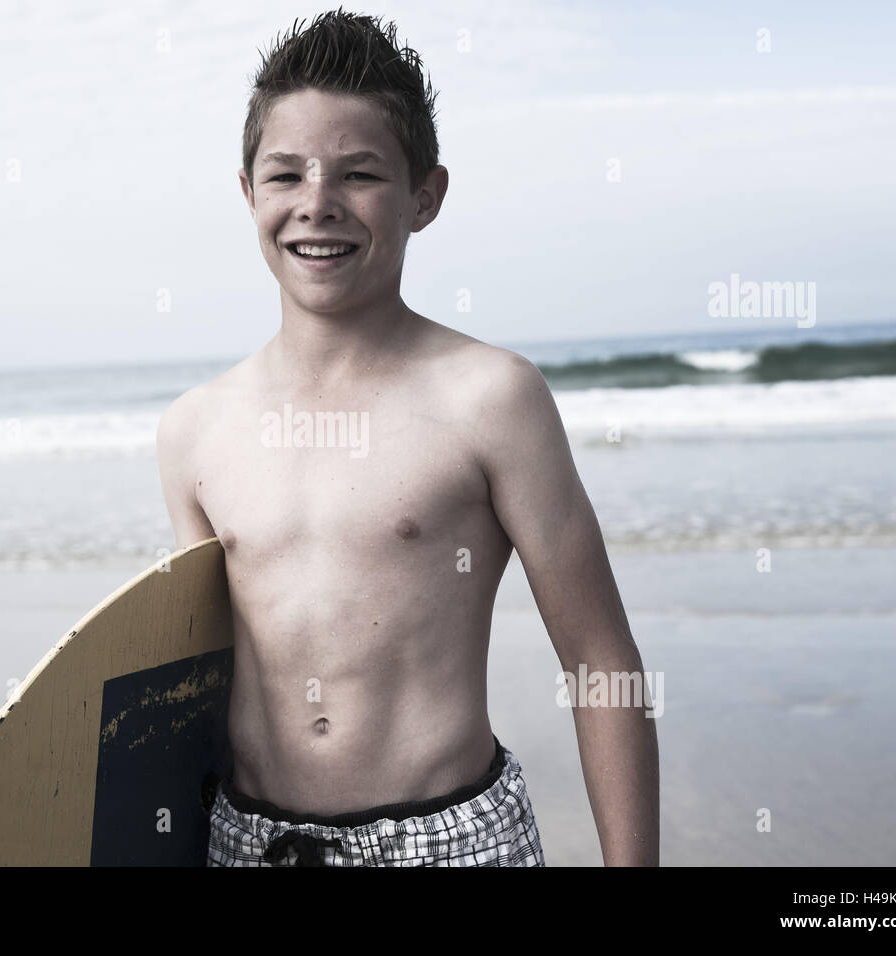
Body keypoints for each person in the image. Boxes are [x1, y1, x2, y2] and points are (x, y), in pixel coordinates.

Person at [156, 9, 658, 866]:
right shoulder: (195, 431)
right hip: (247, 844)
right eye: (285, 176)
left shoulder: (492, 398)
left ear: (425, 196)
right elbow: (194, 696)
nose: (317, 205)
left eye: (359, 174)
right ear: (248, 193)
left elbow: (599, 659)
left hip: (451, 838)